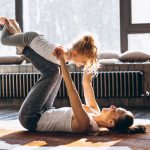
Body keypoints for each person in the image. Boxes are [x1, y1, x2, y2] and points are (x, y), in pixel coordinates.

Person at [0, 17, 146, 134]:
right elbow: (86, 84)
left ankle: (15, 38)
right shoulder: (95, 111)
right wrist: (88, 68)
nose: (114, 106)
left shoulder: (86, 124)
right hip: (46, 109)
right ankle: (20, 41)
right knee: (54, 71)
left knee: (52, 71)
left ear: (111, 123)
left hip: (31, 118)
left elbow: (72, 90)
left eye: (116, 111)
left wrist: (62, 60)